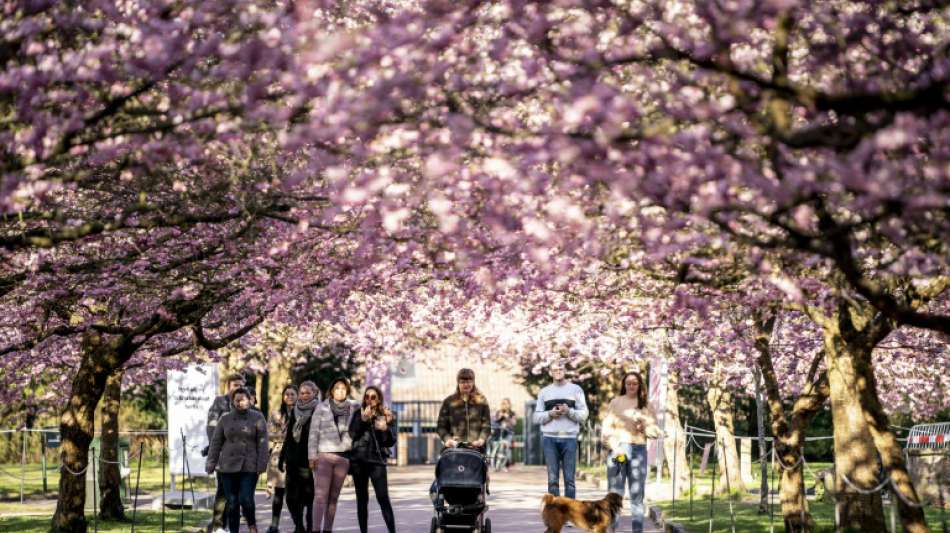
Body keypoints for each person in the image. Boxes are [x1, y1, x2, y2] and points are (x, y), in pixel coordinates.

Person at [601, 370, 663, 533]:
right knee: (615, 494)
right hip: (619, 450)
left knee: (637, 494)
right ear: (624, 385)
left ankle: (637, 530)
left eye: (634, 383)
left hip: (638, 451)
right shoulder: (615, 402)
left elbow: (655, 431)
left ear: (639, 385)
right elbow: (606, 429)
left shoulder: (646, 405)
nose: (631, 386)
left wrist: (644, 427)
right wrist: (615, 447)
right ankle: (612, 530)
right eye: (628, 383)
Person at [205, 387, 268, 533]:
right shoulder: (225, 418)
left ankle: (252, 524)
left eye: (243, 399)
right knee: (232, 503)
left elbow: (263, 442)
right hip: (227, 466)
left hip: (249, 465)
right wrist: (211, 462)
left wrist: (262, 464)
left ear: (249, 400)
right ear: (233, 401)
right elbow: (216, 442)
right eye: (237, 400)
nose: (240, 402)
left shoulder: (257, 417)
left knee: (246, 498)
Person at [309, 377, 360, 533]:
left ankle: (328, 530)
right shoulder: (321, 407)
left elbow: (372, 406)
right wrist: (312, 456)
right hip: (324, 456)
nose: (340, 391)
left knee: (333, 498)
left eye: (343, 388)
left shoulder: (354, 407)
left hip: (343, 458)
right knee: (320, 497)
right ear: (331, 390)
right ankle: (316, 529)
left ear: (347, 391)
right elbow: (314, 432)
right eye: (337, 388)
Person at [532, 360, 588, 499]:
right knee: (552, 480)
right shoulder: (544, 392)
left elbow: (584, 415)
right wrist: (550, 414)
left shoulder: (576, 390)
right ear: (550, 371)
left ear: (565, 370)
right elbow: (536, 417)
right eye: (555, 369)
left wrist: (569, 411)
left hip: (569, 438)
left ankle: (570, 513)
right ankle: (555, 515)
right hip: (549, 439)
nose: (558, 371)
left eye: (561, 368)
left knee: (570, 480)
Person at [348, 385, 398, 533]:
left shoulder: (387, 414)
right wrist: (363, 420)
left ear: (379, 399)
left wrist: (385, 429)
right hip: (359, 461)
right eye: (367, 396)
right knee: (362, 500)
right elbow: (352, 434)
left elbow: (391, 441)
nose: (369, 399)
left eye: (373, 397)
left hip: (377, 461)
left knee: (383, 498)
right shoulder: (358, 413)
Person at [205, 373, 246, 533]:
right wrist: (217, 450)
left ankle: (225, 524)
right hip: (223, 455)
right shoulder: (219, 402)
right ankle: (217, 526)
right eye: (235, 385)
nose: (238, 388)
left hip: (242, 457)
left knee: (235, 492)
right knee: (223, 491)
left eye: (241, 385)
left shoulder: (246, 402)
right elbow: (211, 427)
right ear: (228, 386)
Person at [279, 380, 321, 533]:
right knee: (290, 498)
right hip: (292, 460)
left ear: (314, 393)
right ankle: (299, 525)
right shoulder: (295, 411)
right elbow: (289, 436)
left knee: (308, 497)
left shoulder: (319, 411)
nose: (304, 396)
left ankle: (308, 526)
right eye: (302, 393)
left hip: (308, 460)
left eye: (307, 393)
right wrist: (282, 457)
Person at [265, 385, 297, 533]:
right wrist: (284, 437)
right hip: (279, 455)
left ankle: (299, 524)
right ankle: (274, 525)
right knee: (279, 492)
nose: (289, 396)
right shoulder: (276, 414)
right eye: (287, 394)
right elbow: (268, 434)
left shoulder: (302, 414)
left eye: (292, 394)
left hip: (297, 455)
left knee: (295, 494)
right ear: (283, 397)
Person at [436, 368, 491, 453]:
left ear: (473, 382)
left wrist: (481, 439)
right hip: (454, 449)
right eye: (462, 382)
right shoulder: (449, 401)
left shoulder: (481, 401)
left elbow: (487, 425)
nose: (466, 384)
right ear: (458, 383)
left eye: (469, 381)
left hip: (476, 449)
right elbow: (441, 426)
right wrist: (448, 440)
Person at [488, 398, 517, 471]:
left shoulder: (512, 413)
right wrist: (499, 417)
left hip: (508, 433)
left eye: (506, 403)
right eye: (503, 403)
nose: (504, 405)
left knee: (506, 446)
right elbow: (493, 421)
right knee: (491, 443)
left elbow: (514, 423)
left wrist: (508, 418)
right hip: (498, 432)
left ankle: (506, 464)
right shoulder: (498, 412)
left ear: (509, 405)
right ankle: (493, 462)